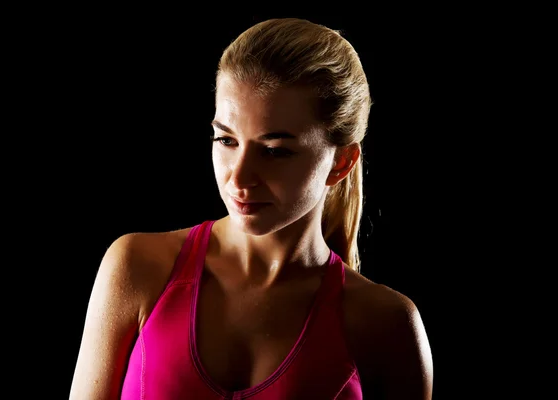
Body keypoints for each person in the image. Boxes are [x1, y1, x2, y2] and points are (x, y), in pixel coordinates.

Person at [69, 17, 433, 400]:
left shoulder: (386, 326)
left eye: (274, 151)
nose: (238, 179)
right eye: (226, 140)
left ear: (341, 163)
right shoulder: (137, 269)